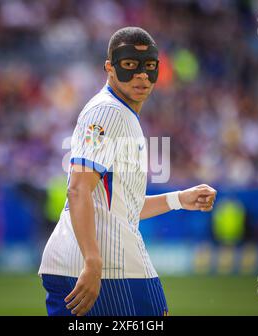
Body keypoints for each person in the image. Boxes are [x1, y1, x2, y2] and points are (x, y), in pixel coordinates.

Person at [38, 26, 217, 316]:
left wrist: (179, 199)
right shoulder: (109, 112)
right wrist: (93, 262)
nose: (142, 75)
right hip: (109, 264)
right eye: (130, 65)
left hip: (79, 259)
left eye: (149, 67)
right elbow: (78, 189)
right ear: (109, 68)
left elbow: (119, 208)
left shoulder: (117, 112)